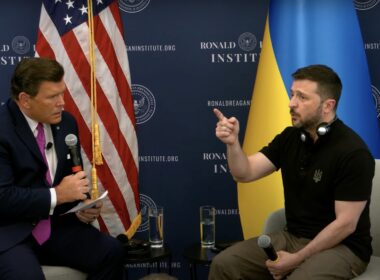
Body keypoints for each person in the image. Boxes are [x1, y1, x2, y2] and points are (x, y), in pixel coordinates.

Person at [209, 64, 374, 280]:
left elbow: (345, 225)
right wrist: (232, 143)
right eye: (292, 94)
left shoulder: (353, 152)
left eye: (302, 97)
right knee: (225, 265)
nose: (291, 103)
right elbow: (244, 173)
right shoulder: (290, 137)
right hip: (293, 237)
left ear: (328, 105)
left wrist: (297, 259)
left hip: (343, 247)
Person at [0, 57, 126, 279]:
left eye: (62, 93)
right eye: (52, 97)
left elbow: (71, 175)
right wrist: (57, 194)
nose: (62, 102)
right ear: (25, 100)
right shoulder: (3, 129)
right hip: (11, 232)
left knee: (112, 252)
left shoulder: (66, 122)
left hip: (56, 227)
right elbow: (3, 197)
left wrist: (83, 205)